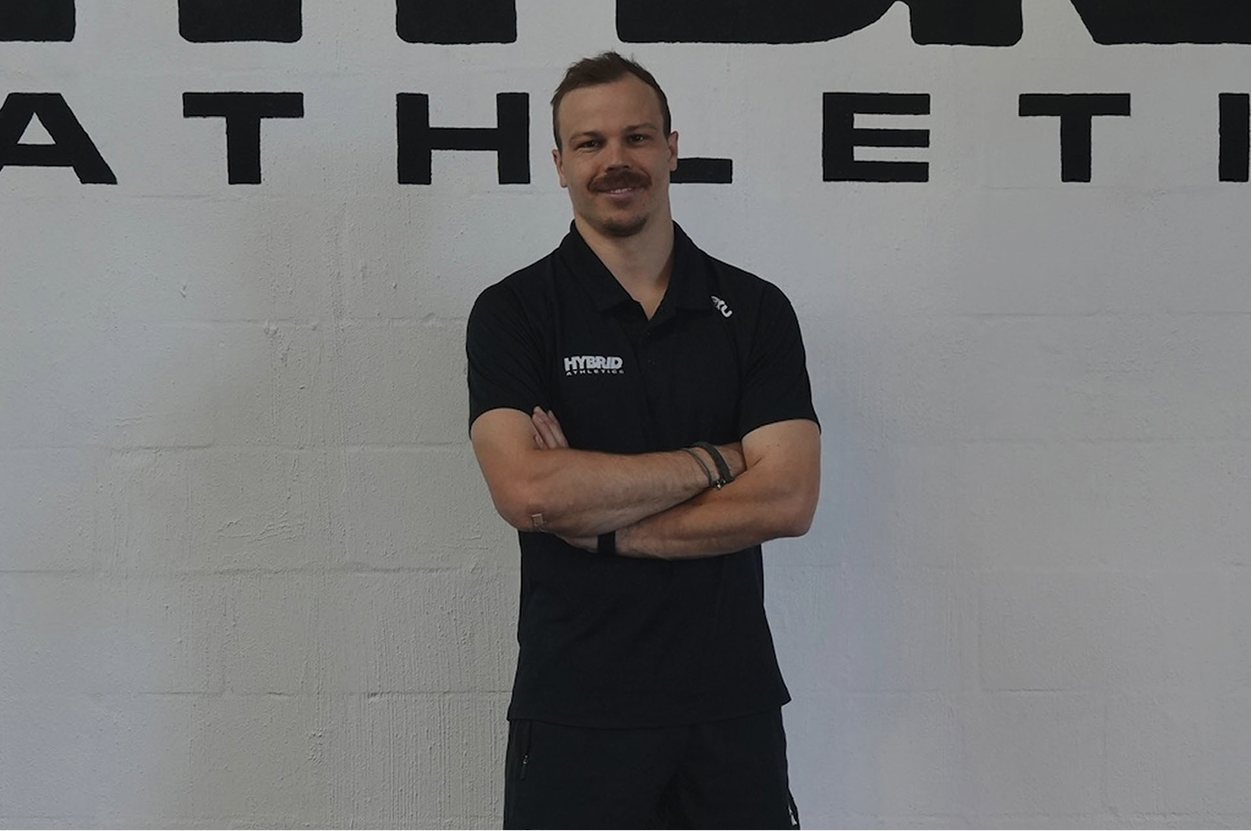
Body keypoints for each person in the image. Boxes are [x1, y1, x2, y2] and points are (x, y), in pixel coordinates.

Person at [465, 51, 821, 830]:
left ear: (671, 148)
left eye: (636, 137)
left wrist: (602, 531)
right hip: (575, 713)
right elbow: (528, 492)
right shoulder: (514, 313)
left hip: (730, 710)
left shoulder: (755, 310)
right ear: (558, 164)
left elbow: (789, 497)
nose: (614, 161)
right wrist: (719, 460)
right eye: (589, 144)